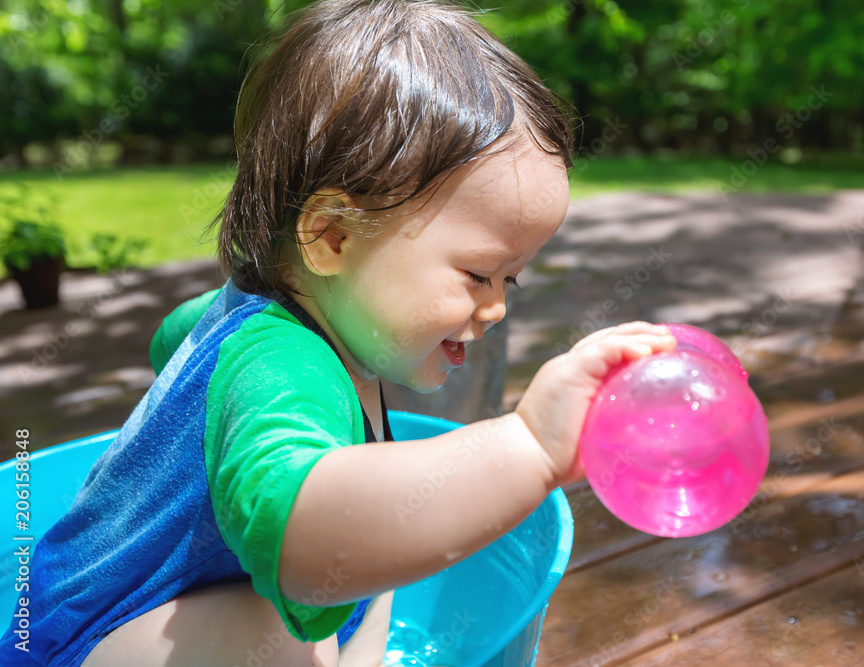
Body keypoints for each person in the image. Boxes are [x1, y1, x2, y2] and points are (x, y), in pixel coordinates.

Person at [0, 1, 676, 665]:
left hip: (114, 611)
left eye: (511, 280)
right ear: (333, 236)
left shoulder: (285, 317)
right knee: (294, 611)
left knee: (378, 537)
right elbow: (303, 539)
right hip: (77, 640)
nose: (496, 308)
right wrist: (528, 447)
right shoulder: (278, 363)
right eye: (477, 273)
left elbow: (173, 337)